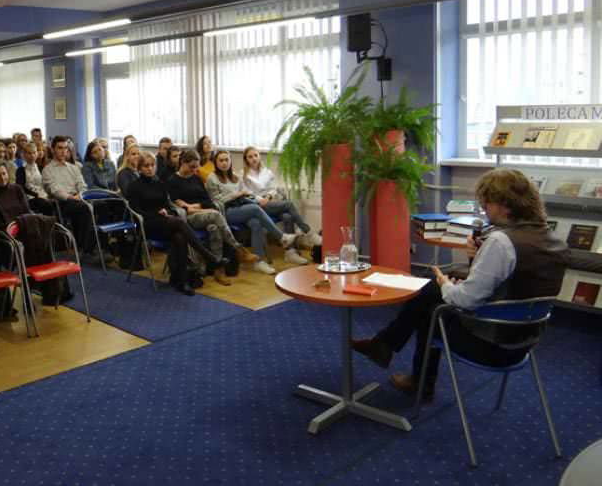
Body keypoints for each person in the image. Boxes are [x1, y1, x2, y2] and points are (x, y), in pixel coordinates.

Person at [352, 169, 568, 400]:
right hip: (525, 342)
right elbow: (514, 285)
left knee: (431, 307)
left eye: (487, 203)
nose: (484, 209)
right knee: (434, 296)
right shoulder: (554, 240)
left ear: (504, 205)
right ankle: (388, 350)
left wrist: (446, 284)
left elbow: (466, 300)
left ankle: (403, 366)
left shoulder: (501, 241)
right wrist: (475, 260)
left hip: (491, 345)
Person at [128, 151, 224, 296]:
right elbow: (136, 211)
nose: (149, 168)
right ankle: (210, 257)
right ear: (140, 168)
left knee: (180, 237)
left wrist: (165, 211)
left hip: (165, 222)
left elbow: (167, 205)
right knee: (179, 224)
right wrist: (156, 213)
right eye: (146, 166)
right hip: (147, 224)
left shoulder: (159, 183)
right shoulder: (134, 186)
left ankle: (182, 281)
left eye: (152, 165)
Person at [166, 150, 258, 285]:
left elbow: (207, 200)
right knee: (216, 215)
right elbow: (176, 203)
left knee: (214, 228)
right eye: (192, 166)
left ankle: (218, 269)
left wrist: (196, 206)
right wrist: (191, 207)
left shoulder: (196, 178)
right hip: (188, 219)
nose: (195, 170)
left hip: (204, 213)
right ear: (183, 163)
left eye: (196, 166)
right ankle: (238, 249)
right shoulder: (173, 180)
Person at [206, 150, 301, 273]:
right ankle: (282, 237)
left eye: (226, 160)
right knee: (255, 208)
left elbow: (247, 192)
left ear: (230, 161)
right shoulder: (212, 178)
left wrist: (251, 196)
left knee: (256, 223)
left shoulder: (235, 176)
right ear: (215, 162)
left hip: (242, 207)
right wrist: (236, 195)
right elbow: (215, 201)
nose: (224, 163)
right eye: (221, 160)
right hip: (226, 212)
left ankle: (259, 262)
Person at [241, 146, 319, 248]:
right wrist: (260, 199)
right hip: (257, 205)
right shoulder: (243, 174)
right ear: (246, 160)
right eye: (250, 157)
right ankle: (308, 231)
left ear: (259, 156)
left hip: (270, 202)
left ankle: (291, 252)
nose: (254, 158)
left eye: (256, 155)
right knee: (289, 204)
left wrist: (268, 197)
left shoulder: (267, 172)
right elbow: (247, 192)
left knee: (288, 217)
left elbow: (274, 188)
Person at [42, 136, 103, 261]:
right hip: (62, 202)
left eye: (65, 148)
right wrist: (72, 197)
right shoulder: (47, 170)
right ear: (53, 149)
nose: (63, 151)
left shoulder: (74, 168)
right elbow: (54, 190)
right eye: (60, 148)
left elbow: (82, 185)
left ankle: (101, 246)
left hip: (79, 198)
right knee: (85, 208)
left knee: (102, 205)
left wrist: (80, 195)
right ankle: (85, 249)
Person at [0, 160, 32, 231]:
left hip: (23, 226)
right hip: (4, 234)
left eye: (4, 174)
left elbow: (26, 211)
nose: (2, 178)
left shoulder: (17, 189)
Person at [14, 142, 55, 216]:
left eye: (34, 152)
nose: (32, 155)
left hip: (43, 194)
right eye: (29, 153)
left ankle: (57, 224)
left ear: (37, 154)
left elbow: (46, 184)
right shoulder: (21, 170)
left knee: (56, 202)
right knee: (46, 204)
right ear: (24, 155)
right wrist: (36, 194)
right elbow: (21, 188)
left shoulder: (41, 168)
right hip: (30, 198)